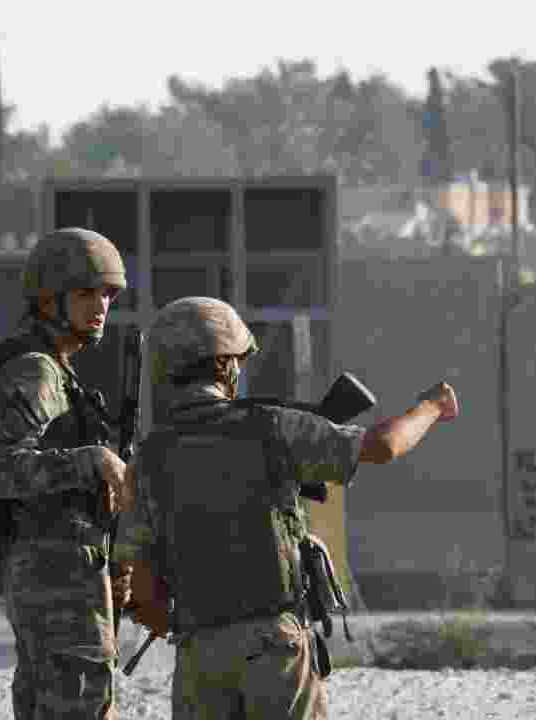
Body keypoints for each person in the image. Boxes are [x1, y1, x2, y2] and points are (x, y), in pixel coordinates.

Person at [117, 296, 459, 719]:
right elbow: (383, 446)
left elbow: (145, 594)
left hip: (198, 659)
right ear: (227, 365)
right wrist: (431, 408)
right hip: (274, 650)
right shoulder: (274, 427)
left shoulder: (147, 459)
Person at [0, 227, 134, 720]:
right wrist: (90, 460)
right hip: (55, 576)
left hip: (63, 568)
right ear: (48, 300)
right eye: (87, 293)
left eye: (108, 294)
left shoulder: (57, 368)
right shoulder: (37, 370)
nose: (101, 306)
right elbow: (2, 472)